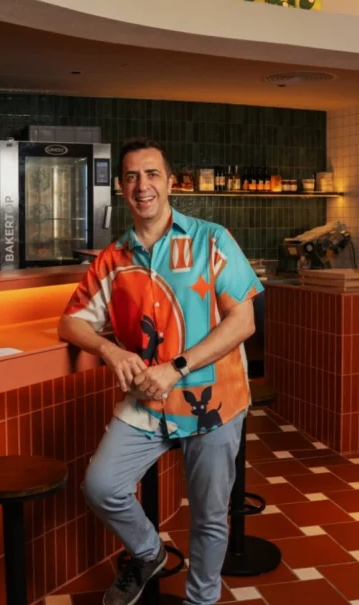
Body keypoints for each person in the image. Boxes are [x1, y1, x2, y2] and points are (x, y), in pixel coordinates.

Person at [58, 138, 262, 605]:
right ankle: (149, 552)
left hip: (213, 399)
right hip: (147, 401)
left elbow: (243, 321)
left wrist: (177, 367)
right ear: (120, 188)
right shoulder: (114, 259)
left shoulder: (212, 238)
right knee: (102, 486)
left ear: (171, 182)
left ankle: (201, 600)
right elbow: (70, 322)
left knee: (210, 517)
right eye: (131, 176)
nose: (142, 185)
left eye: (151, 174)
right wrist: (109, 351)